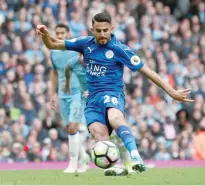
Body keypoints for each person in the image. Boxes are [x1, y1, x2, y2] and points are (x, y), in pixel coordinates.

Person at [36, 12, 193, 173]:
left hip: (112, 93)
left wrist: (171, 91)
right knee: (100, 137)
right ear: (92, 30)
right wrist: (45, 35)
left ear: (112, 28)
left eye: (105, 30)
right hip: (92, 100)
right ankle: (118, 167)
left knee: (115, 118)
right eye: (98, 31)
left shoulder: (120, 49)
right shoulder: (85, 44)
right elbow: (53, 44)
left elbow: (148, 71)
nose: (102, 34)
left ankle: (135, 156)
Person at [64, 51, 135, 176]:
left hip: (104, 99)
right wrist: (66, 84)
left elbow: (110, 80)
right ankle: (105, 167)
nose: (83, 59)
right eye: (80, 56)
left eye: (85, 56)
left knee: (117, 135)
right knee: (98, 134)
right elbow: (67, 69)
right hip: (86, 102)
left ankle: (128, 164)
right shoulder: (72, 62)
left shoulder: (99, 62)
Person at [49, 23, 89, 173]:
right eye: (57, 33)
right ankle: (84, 157)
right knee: (69, 129)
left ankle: (73, 164)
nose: (59, 36)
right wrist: (53, 93)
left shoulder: (75, 49)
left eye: (62, 33)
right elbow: (54, 73)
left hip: (77, 93)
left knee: (73, 127)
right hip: (62, 94)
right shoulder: (53, 52)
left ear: (68, 34)